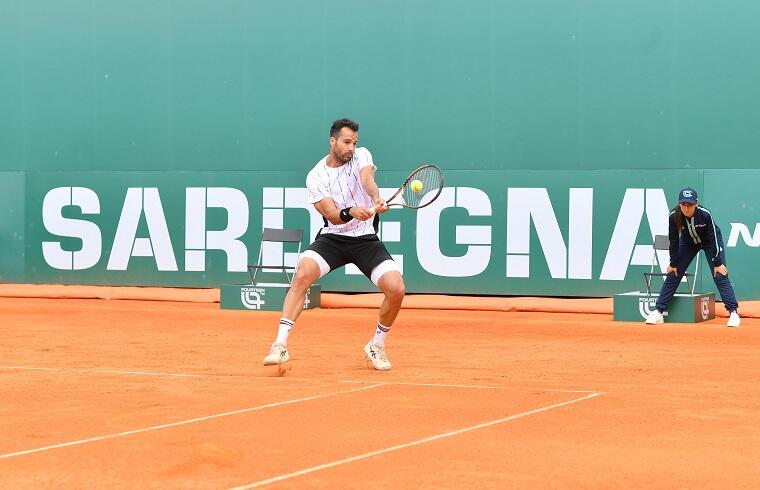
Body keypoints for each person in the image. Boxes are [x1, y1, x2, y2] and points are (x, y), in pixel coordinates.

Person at [262, 118, 405, 370]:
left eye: (354, 142)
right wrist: (351, 211)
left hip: (366, 241)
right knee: (303, 272)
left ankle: (377, 345)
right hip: (333, 239)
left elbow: (367, 180)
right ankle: (280, 345)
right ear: (333, 141)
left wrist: (375, 199)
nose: (352, 147)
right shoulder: (316, 176)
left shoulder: (361, 155)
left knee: (396, 289)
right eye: (347, 142)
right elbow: (331, 214)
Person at [645, 187, 740, 327]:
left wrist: (717, 262)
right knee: (673, 272)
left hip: (709, 242)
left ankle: (733, 313)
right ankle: (658, 312)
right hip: (688, 243)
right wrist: (673, 262)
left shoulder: (705, 214)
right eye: (683, 204)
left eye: (690, 205)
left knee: (719, 274)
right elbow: (673, 240)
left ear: (697, 203)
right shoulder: (673, 216)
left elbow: (713, 238)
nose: (686, 208)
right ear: (679, 204)